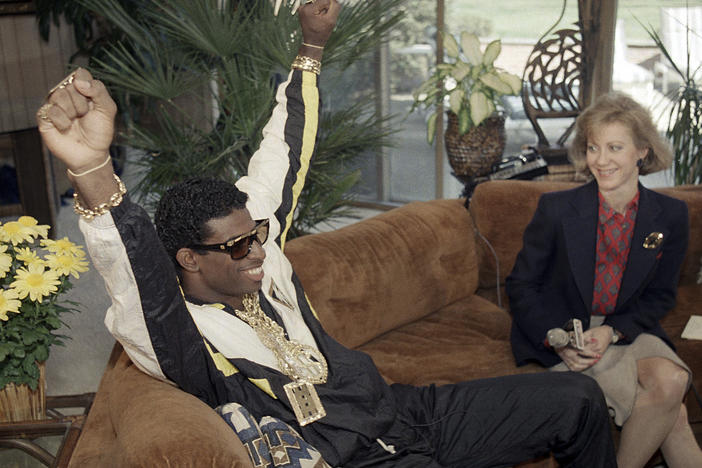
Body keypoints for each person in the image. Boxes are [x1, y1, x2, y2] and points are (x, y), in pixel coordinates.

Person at [36, 1, 616, 466]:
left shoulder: (256, 249)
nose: (259, 250)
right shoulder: (181, 338)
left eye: (258, 234)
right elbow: (133, 275)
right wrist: (92, 171)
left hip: (407, 413)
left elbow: (281, 156)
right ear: (189, 259)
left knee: (579, 399)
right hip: (358, 457)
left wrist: (311, 45)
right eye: (238, 247)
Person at [507, 92, 702, 468]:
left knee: (672, 380)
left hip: (627, 328)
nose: (601, 159)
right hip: (568, 329)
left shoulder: (671, 216)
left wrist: (612, 331)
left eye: (615, 147)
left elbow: (661, 296)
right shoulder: (557, 209)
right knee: (672, 412)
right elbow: (522, 285)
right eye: (593, 147)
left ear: (642, 151)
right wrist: (558, 340)